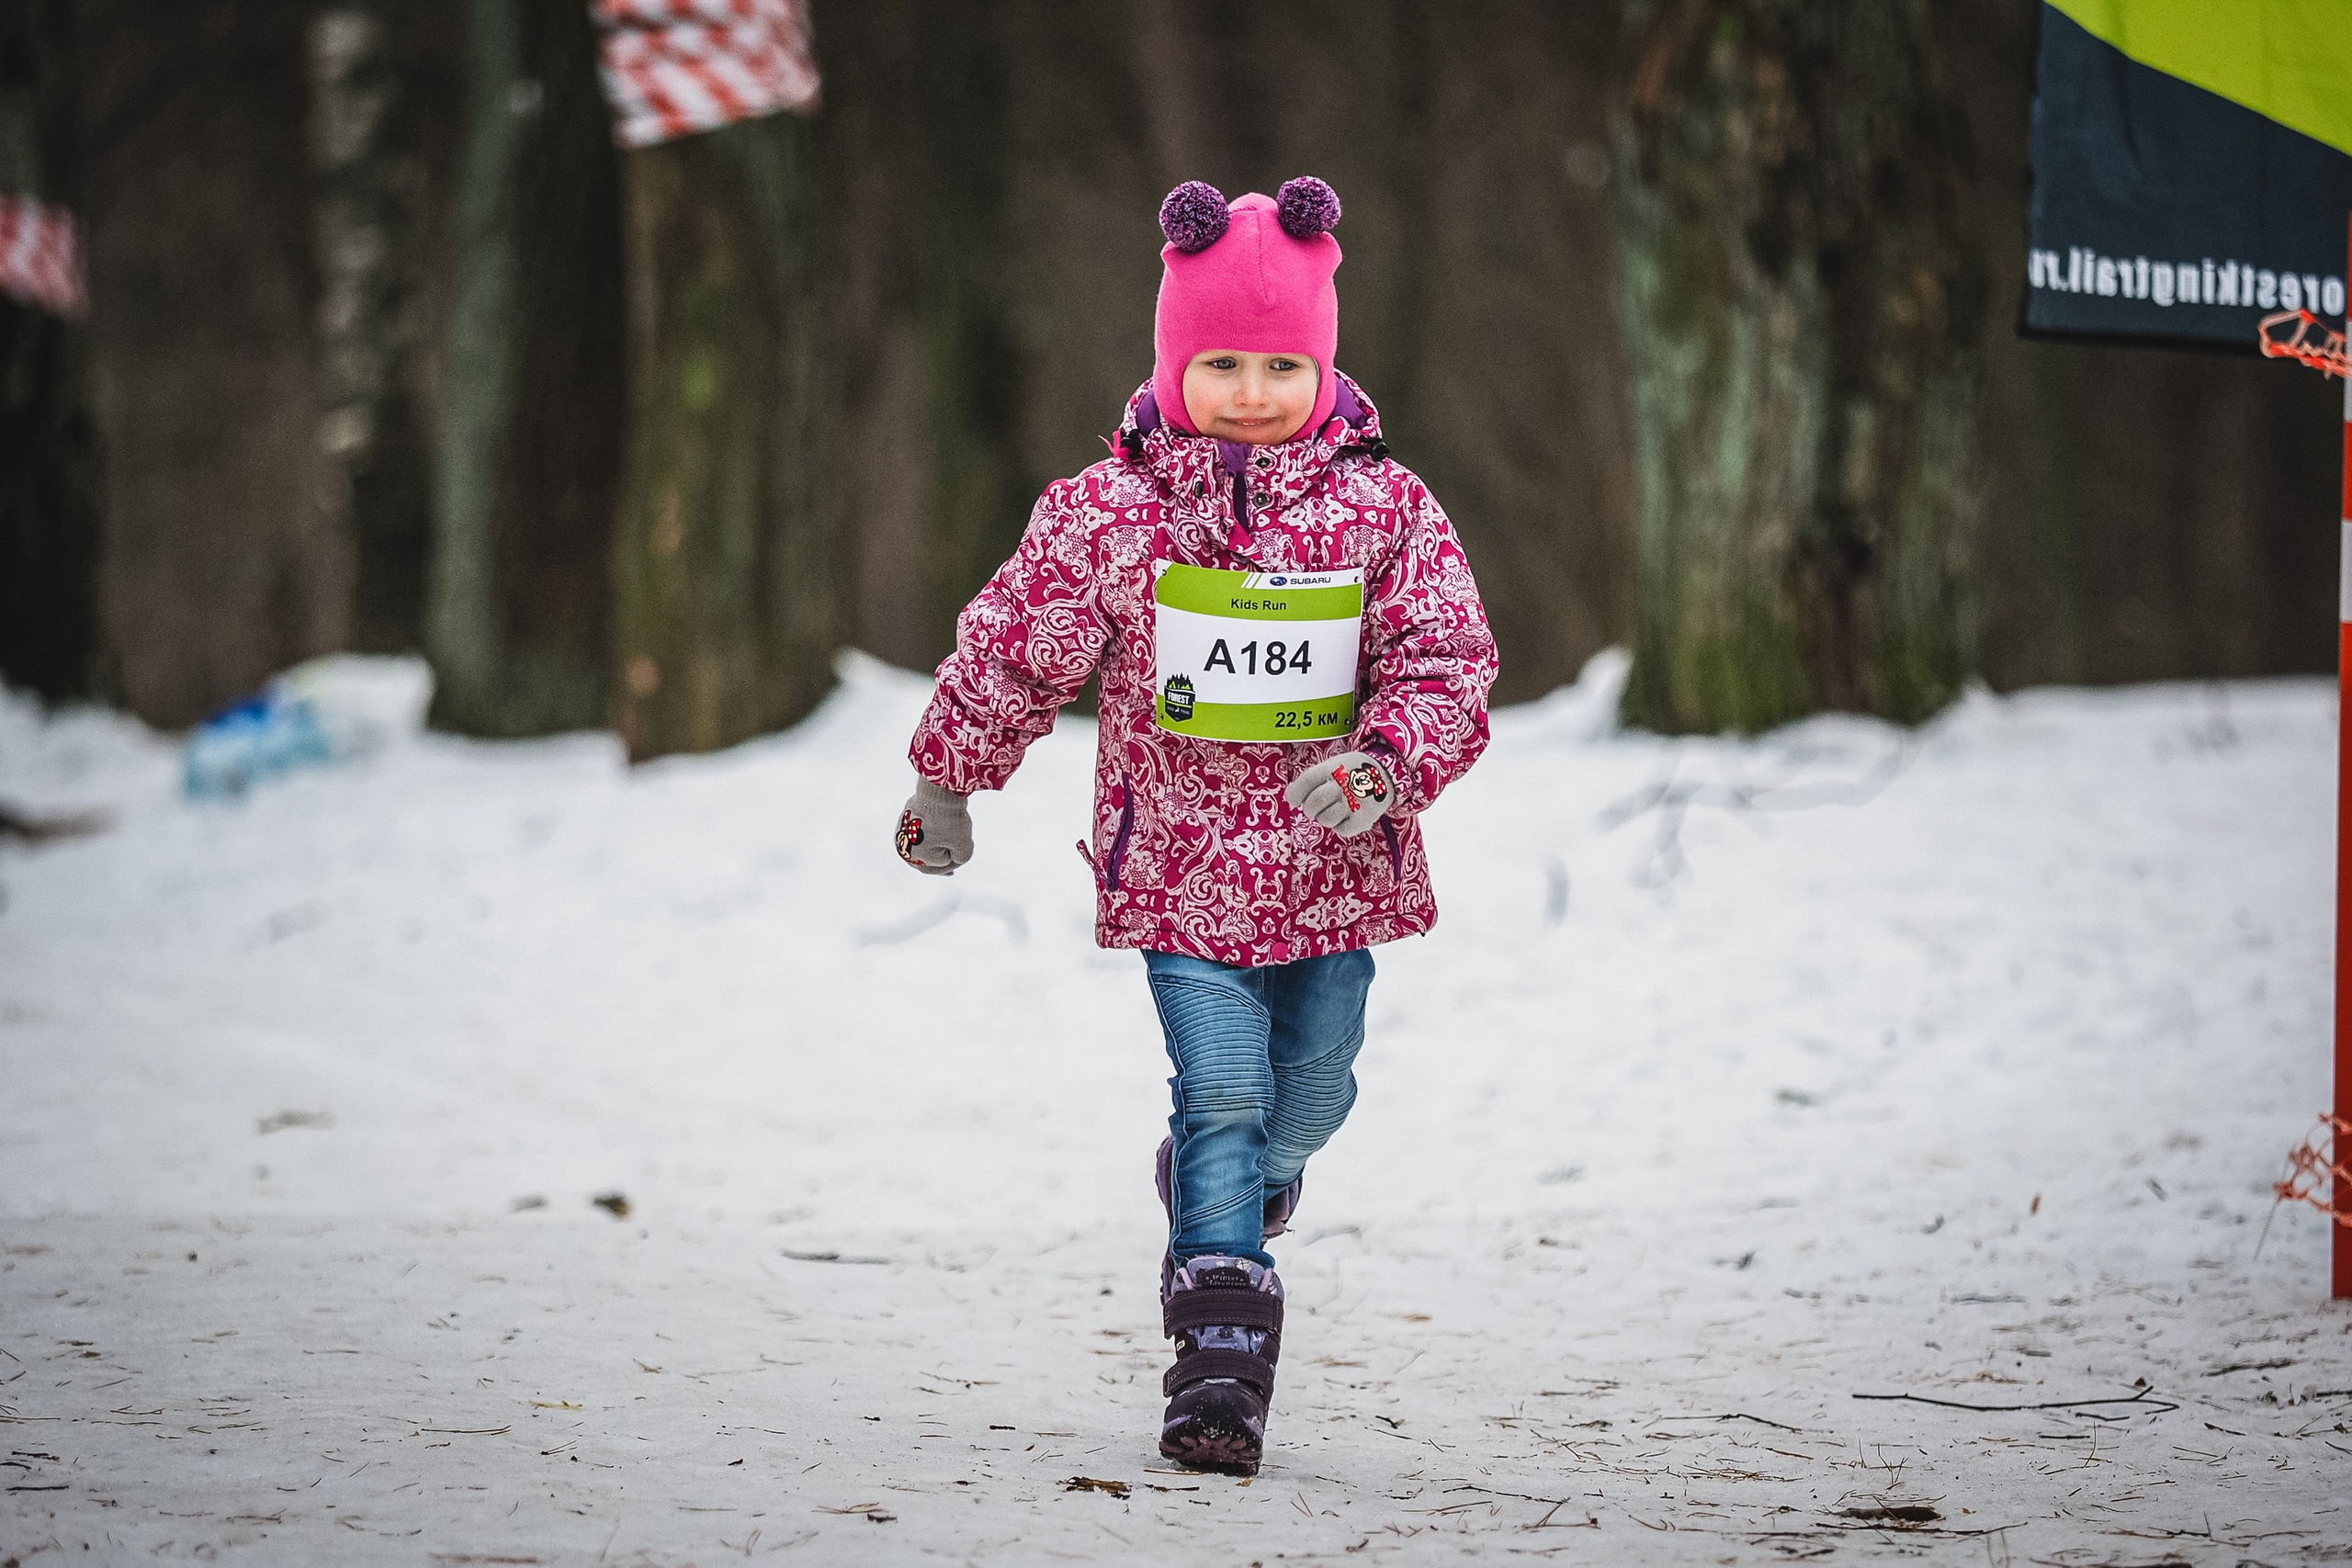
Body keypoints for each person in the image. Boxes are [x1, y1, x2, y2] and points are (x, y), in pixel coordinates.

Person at [893, 176, 1497, 1475]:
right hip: (1179, 871)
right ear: (1173, 359)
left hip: (1336, 869)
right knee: (1220, 1091)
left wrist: (1387, 765)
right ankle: (1219, 1355)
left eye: (1281, 363)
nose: (1251, 389)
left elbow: (1448, 660)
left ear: (1322, 361)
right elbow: (1016, 650)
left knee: (1314, 1093)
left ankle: (1230, 1184)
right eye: (1219, 361)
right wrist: (948, 778)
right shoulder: (1110, 514)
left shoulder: (1387, 511)